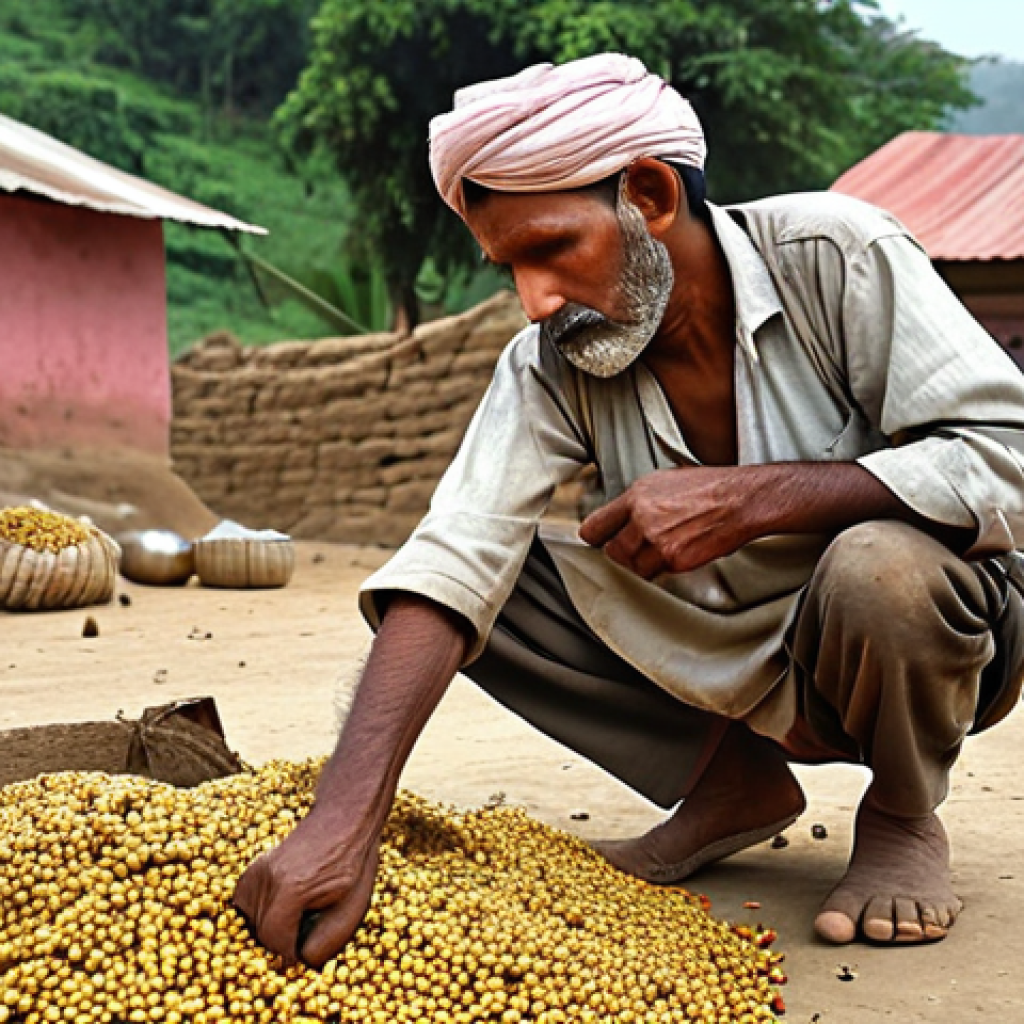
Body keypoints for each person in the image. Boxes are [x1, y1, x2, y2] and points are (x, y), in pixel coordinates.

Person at [233, 53, 1024, 964]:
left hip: (907, 636)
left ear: (648, 195)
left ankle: (900, 814)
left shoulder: (834, 255)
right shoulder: (552, 361)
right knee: (483, 584)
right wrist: (342, 821)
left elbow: (1003, 460)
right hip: (720, 653)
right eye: (508, 268)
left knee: (883, 566)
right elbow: (456, 549)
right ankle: (731, 786)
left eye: (550, 250)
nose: (534, 302)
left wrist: (753, 499)